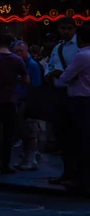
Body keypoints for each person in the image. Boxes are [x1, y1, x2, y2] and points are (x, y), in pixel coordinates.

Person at [54, 24, 90, 197]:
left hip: (80, 101)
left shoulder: (81, 55)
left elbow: (65, 77)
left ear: (80, 38)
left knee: (79, 141)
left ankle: (81, 181)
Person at [45, 17, 79, 185]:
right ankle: (67, 172)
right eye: (62, 28)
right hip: (59, 93)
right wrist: (49, 76)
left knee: (76, 136)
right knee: (62, 136)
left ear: (74, 29)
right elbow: (48, 66)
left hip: (76, 94)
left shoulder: (80, 47)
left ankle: (76, 174)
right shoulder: (58, 47)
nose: (65, 31)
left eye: (69, 28)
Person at [0, 34, 29, 174]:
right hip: (11, 100)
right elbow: (26, 80)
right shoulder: (17, 60)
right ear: (11, 45)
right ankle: (5, 164)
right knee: (8, 134)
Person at [12, 40, 44, 171]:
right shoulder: (22, 64)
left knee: (30, 133)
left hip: (29, 103)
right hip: (21, 102)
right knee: (26, 133)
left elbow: (35, 86)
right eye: (16, 51)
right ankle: (27, 159)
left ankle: (30, 161)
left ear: (27, 51)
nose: (19, 54)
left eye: (21, 51)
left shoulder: (32, 65)